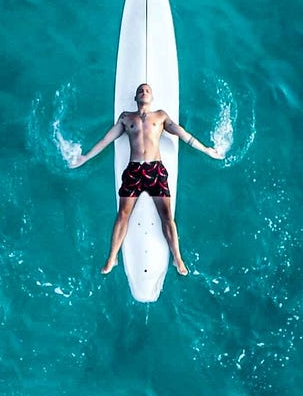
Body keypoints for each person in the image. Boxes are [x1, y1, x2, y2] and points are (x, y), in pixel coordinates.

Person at [70, 83, 224, 276]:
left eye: (147, 90)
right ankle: (112, 257)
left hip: (155, 170)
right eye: (141, 91)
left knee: (167, 215)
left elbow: (183, 134)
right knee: (122, 214)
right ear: (136, 98)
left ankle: (178, 258)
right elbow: (106, 140)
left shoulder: (160, 116)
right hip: (134, 171)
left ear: (152, 98)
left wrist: (206, 149)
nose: (144, 92)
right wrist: (85, 157)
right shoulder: (126, 117)